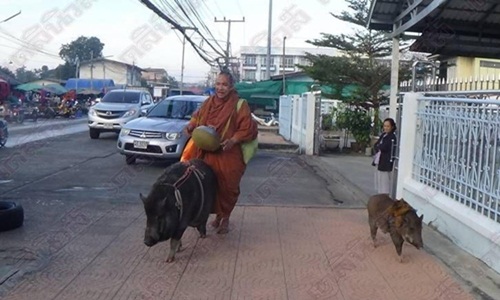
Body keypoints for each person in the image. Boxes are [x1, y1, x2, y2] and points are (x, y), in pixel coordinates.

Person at [182, 70, 258, 234]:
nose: (220, 88)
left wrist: (233, 140)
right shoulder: (208, 102)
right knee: (208, 186)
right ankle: (215, 215)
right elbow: (197, 118)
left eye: (224, 84)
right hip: (207, 152)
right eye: (218, 84)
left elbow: (247, 128)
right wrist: (191, 126)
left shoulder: (239, 104)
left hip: (228, 154)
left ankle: (225, 218)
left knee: (228, 187)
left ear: (231, 87)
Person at [372, 118, 397, 195]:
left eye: (388, 126)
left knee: (385, 183)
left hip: (386, 162)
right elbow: (376, 145)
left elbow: (384, 147)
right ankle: (381, 197)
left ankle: (384, 198)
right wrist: (379, 146)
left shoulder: (392, 137)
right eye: (384, 126)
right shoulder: (383, 135)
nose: (385, 128)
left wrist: (379, 146)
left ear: (392, 127)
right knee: (379, 181)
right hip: (379, 161)